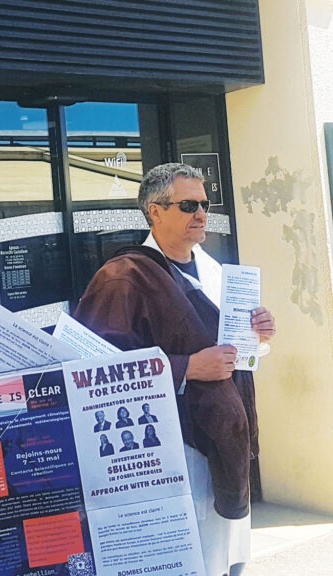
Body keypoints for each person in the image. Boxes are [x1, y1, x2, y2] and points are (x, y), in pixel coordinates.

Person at [74, 163, 276, 576]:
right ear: (155, 211)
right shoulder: (122, 278)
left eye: (204, 204)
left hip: (225, 438)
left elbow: (238, 355)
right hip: (169, 449)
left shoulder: (220, 274)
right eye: (188, 205)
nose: (201, 214)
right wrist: (185, 368)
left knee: (228, 558)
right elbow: (94, 371)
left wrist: (260, 336)